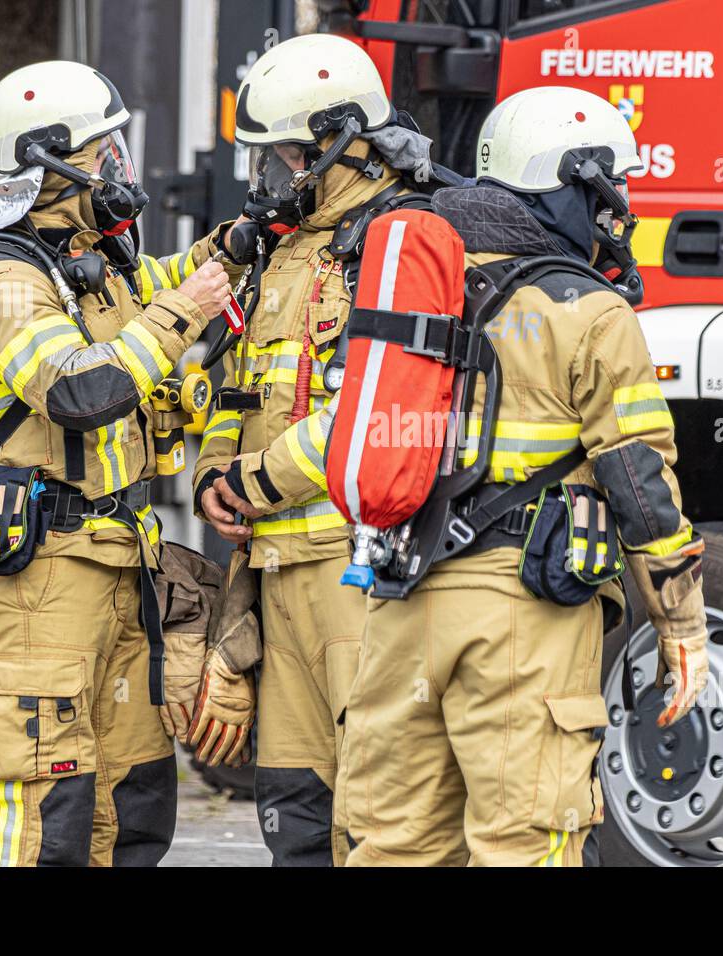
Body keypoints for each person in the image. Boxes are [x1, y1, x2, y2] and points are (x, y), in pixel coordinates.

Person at [331, 87, 712, 866]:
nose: (619, 212)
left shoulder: (414, 287)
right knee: (524, 846)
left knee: (393, 846)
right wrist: (680, 622)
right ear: (571, 182)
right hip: (523, 622)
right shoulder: (591, 312)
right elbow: (639, 484)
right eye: (612, 190)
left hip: (399, 605)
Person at [0, 60, 235, 866]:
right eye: (102, 153)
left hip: (115, 567)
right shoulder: (1, 283)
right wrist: (189, 311)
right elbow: (84, 389)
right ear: (52, 167)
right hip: (45, 583)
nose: (117, 169)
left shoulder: (88, 264)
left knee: (133, 797)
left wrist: (243, 244)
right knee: (49, 804)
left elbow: (169, 289)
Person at [187, 32, 442, 866]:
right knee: (295, 814)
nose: (274, 178)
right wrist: (210, 479)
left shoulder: (398, 247)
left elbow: (366, 414)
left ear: (341, 142)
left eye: (289, 155)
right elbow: (234, 381)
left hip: (356, 575)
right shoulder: (282, 253)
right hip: (272, 573)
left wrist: (250, 481)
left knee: (376, 813)